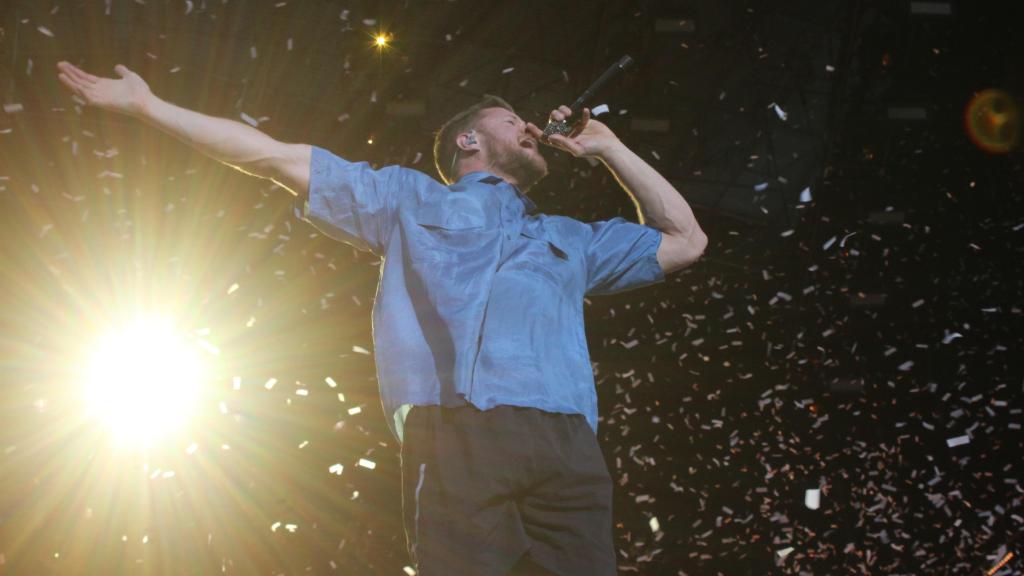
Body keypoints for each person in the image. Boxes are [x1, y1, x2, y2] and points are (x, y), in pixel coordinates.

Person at [57, 60, 708, 575]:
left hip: (568, 443)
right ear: (468, 139)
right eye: (511, 119)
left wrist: (610, 148)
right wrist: (148, 106)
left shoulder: (572, 237)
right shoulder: (405, 198)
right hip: (457, 428)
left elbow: (686, 239)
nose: (530, 128)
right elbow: (276, 156)